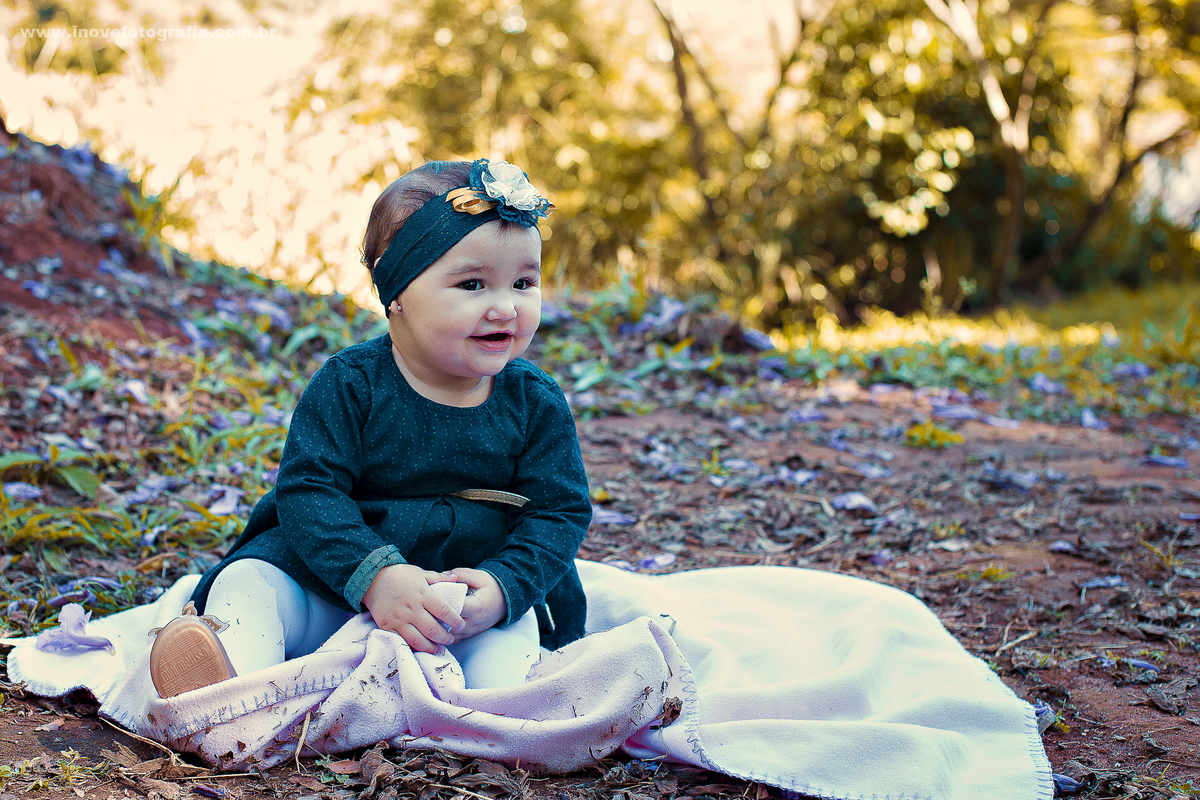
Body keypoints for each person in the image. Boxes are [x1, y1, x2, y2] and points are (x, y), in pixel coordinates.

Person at [148, 158, 592, 698]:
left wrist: (503, 588)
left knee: (506, 666)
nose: (505, 307)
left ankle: (502, 708)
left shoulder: (533, 399)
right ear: (396, 290)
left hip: (463, 601)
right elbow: (309, 491)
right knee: (250, 584)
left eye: (523, 283)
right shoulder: (352, 383)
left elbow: (560, 510)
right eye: (473, 284)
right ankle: (225, 688)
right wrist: (375, 576)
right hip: (337, 582)